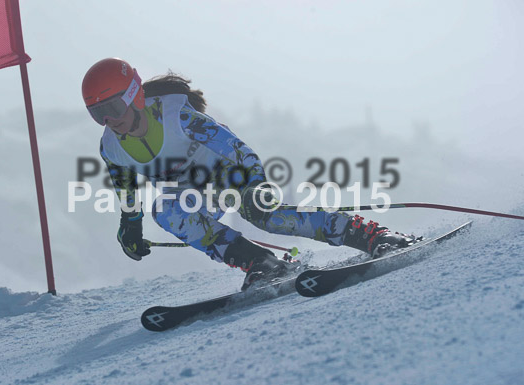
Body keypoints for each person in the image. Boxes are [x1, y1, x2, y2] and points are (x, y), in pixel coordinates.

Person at [81, 58, 417, 290]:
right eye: (98, 114)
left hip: (230, 173)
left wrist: (256, 182)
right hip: (194, 188)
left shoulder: (175, 116)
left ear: (133, 95)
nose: (109, 120)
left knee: (266, 217)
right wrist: (131, 226)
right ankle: (262, 263)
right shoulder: (112, 147)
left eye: (111, 108)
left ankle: (372, 236)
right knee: (166, 210)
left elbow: (235, 147)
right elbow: (126, 190)